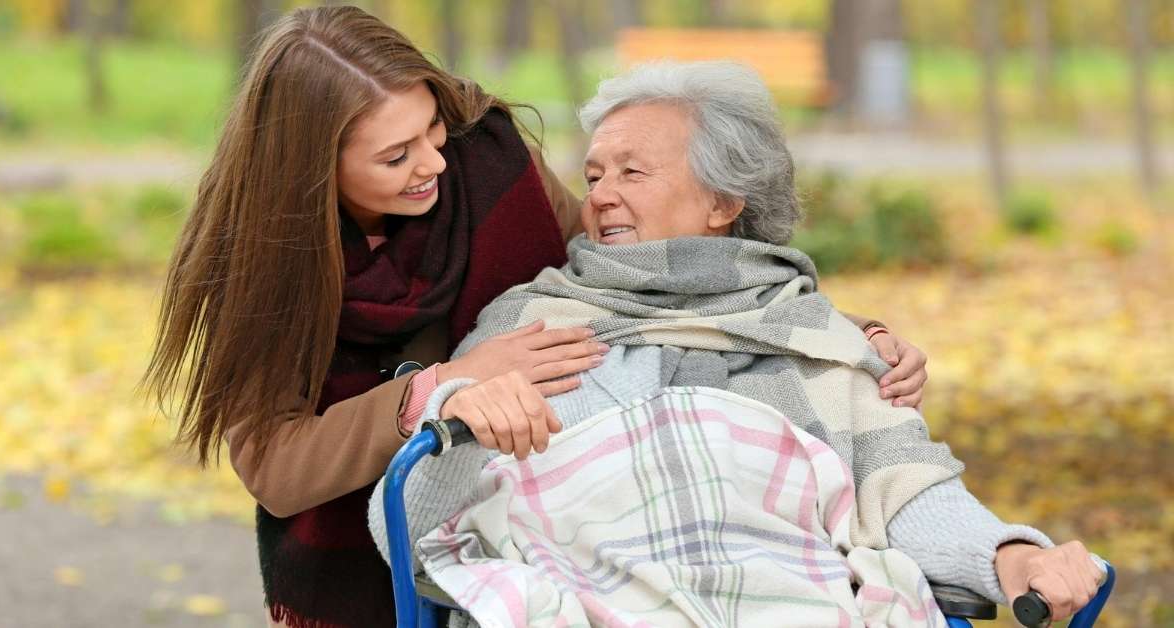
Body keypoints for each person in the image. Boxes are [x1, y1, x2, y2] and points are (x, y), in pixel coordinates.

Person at [142, 7, 930, 627]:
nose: (434, 165)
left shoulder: (485, 158)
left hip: (528, 509)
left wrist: (830, 335)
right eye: (395, 158)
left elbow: (636, 268)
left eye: (431, 130)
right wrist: (437, 390)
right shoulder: (262, 263)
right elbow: (277, 470)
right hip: (367, 537)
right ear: (314, 170)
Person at [370, 61, 1104, 625]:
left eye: (632, 171)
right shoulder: (530, 324)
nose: (597, 195)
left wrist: (1007, 553)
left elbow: (904, 484)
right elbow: (415, 520)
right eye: (592, 175)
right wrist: (463, 413)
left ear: (723, 202)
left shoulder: (815, 335)